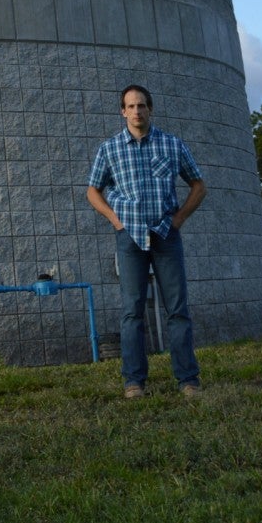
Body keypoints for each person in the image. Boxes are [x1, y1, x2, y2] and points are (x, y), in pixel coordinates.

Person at [87, 84, 207, 399]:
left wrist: (179, 219)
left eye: (142, 105)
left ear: (150, 109)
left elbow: (198, 184)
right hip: (130, 238)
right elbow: (92, 191)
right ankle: (134, 382)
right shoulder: (109, 149)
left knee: (177, 309)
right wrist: (115, 221)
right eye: (131, 106)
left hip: (166, 234)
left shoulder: (171, 144)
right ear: (122, 111)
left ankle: (188, 380)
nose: (137, 111)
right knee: (132, 310)